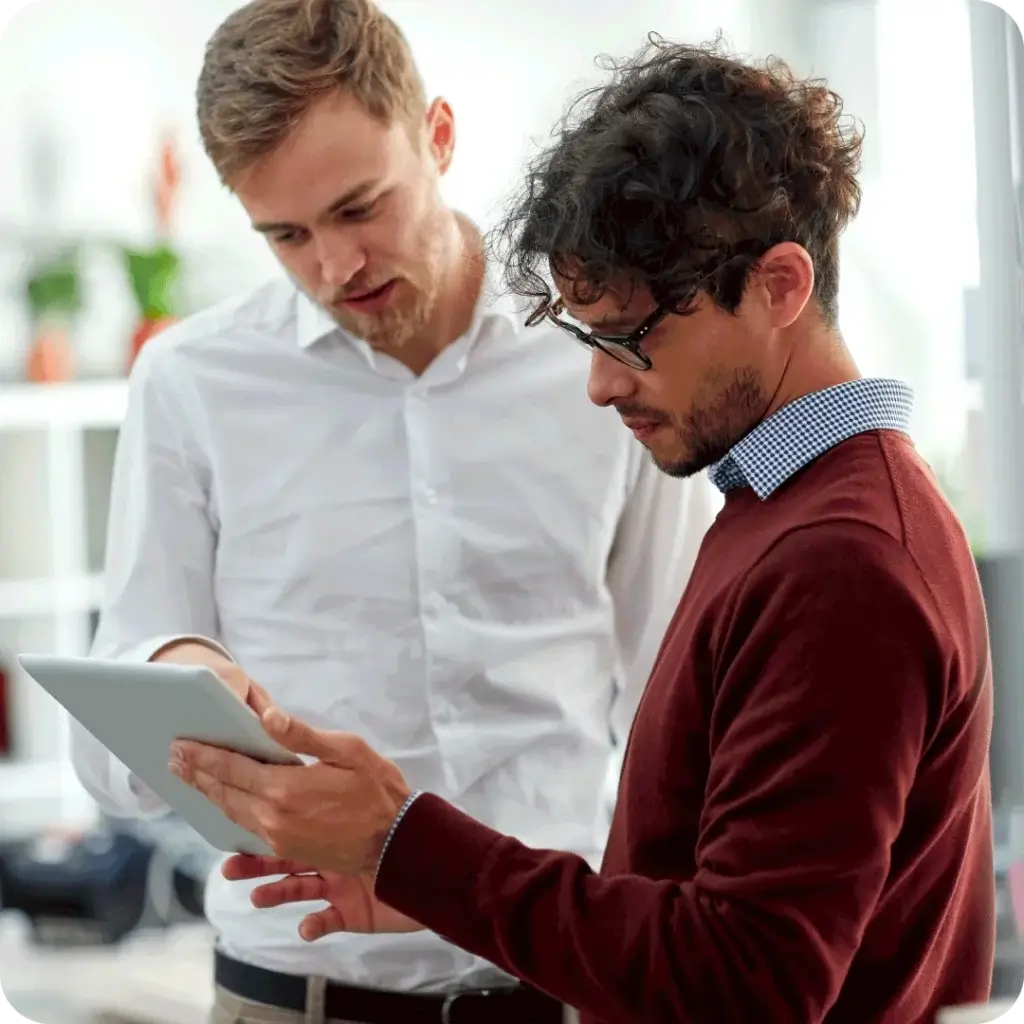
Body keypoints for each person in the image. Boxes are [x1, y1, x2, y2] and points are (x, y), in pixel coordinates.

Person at [169, 34, 997, 1024]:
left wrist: (409, 842)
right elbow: (693, 896)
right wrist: (429, 884)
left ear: (779, 286)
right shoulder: (784, 511)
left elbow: (744, 983)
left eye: (629, 339)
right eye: (583, 339)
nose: (599, 384)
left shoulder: (844, 563)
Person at [70, 3, 715, 1023]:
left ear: (440, 137)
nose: (336, 265)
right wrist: (176, 672)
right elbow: (108, 759)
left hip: (556, 980)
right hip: (292, 992)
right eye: (285, 234)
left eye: (359, 206)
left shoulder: (593, 357)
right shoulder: (189, 382)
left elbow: (677, 704)